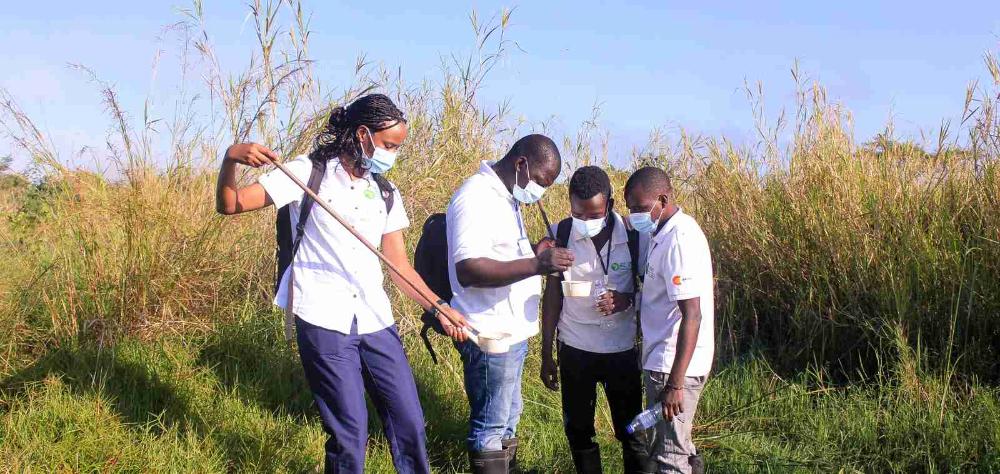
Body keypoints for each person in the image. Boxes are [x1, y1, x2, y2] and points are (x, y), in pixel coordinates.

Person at [215, 93, 468, 474]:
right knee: (349, 433)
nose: (393, 155)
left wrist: (439, 307)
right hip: (323, 317)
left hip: (374, 318)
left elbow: (398, 266)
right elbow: (230, 204)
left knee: (410, 423)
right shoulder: (306, 173)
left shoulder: (385, 192)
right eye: (389, 145)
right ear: (363, 135)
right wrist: (231, 158)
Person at [446, 134, 574, 473]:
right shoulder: (475, 197)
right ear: (521, 164)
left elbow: (500, 256)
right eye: (540, 182)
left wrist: (534, 251)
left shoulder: (506, 197)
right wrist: (537, 264)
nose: (540, 192)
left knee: (508, 418)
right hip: (490, 332)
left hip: (511, 332)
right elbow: (468, 269)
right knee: (490, 426)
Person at [539, 166, 649, 473]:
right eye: (579, 214)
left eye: (595, 215)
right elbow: (552, 296)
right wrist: (546, 353)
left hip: (620, 349)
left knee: (632, 432)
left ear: (610, 205)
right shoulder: (561, 233)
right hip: (575, 348)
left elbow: (653, 290)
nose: (586, 222)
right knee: (578, 431)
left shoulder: (634, 235)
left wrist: (626, 300)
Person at [623, 166, 714, 474]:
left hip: (672, 367)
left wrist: (675, 384)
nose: (635, 215)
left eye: (640, 207)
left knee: (670, 457)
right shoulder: (661, 233)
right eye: (630, 208)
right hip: (663, 360)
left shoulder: (679, 239)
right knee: (675, 447)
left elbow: (692, 314)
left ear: (663, 199)